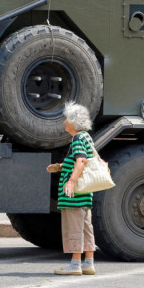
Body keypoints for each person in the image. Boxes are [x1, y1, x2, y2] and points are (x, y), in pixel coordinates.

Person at [46, 102, 96, 276]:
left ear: (74, 122)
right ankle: (88, 263)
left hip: (74, 195)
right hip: (85, 194)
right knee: (85, 228)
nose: (64, 122)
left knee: (74, 228)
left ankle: (75, 265)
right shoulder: (86, 137)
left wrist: (71, 182)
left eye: (66, 119)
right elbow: (81, 160)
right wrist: (59, 166)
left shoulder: (77, 139)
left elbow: (81, 161)